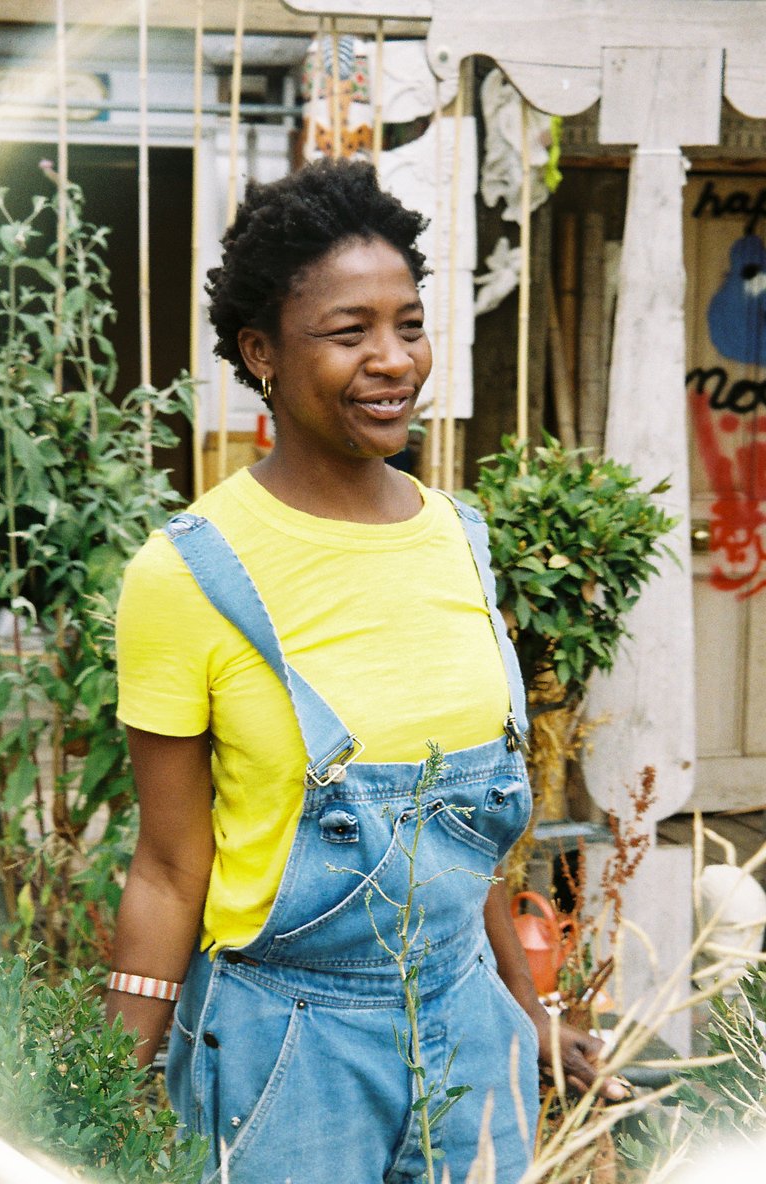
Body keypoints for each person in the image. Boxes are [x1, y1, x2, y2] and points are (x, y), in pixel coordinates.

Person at [108, 158, 622, 1184]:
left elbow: (455, 838)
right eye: (348, 332)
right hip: (285, 1056)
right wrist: (108, 1085)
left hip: (470, 1030)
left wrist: (529, 1015)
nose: (392, 359)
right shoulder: (189, 573)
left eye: (408, 323)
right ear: (259, 352)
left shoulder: (459, 541)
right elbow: (169, 867)